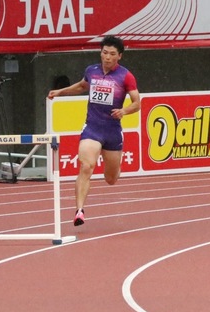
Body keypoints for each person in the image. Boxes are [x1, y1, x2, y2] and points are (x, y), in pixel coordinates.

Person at [47, 36, 141, 226]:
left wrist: (124, 111)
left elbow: (137, 102)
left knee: (111, 178)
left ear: (119, 56)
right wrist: (60, 92)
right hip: (93, 127)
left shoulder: (126, 76)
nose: (107, 57)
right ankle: (79, 210)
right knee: (86, 166)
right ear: (101, 52)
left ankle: (113, 170)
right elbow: (82, 86)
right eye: (104, 53)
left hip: (112, 131)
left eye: (112, 54)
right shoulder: (92, 71)